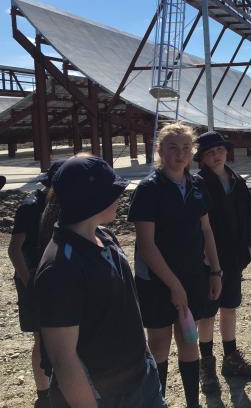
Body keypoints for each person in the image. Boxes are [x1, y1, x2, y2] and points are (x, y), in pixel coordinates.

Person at [34, 155, 164, 407]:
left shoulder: (105, 237)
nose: (119, 197)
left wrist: (145, 357)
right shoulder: (59, 267)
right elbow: (64, 359)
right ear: (90, 199)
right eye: (112, 191)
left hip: (141, 381)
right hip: (106, 397)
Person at [128, 122, 222, 408]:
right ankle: (157, 400)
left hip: (192, 275)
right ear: (159, 151)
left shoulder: (196, 185)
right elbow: (146, 245)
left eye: (185, 148)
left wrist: (216, 271)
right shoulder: (148, 189)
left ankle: (192, 402)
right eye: (172, 148)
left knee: (189, 339)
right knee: (159, 342)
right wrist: (174, 285)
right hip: (157, 280)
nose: (180, 154)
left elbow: (206, 230)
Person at [194, 131, 251, 394]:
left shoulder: (236, 180)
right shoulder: (198, 183)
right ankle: (206, 365)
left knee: (230, 307)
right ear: (202, 157)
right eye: (210, 152)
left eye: (219, 149)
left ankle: (231, 357)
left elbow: (247, 214)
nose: (216, 154)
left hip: (233, 257)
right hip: (208, 260)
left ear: (226, 151)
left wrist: (247, 245)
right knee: (207, 312)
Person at [8, 158, 64, 407]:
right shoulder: (31, 206)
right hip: (33, 279)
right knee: (42, 338)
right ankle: (44, 396)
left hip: (59, 279)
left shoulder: (67, 204)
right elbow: (14, 249)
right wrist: (30, 283)